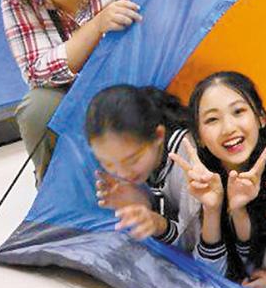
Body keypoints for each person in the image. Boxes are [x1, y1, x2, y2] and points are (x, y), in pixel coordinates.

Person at [1, 0, 143, 183]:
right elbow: (38, 73)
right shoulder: (18, 0)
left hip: (132, 83)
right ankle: (56, 188)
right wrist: (97, 25)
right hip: (71, 94)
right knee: (37, 107)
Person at [182, 71, 266, 288]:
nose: (228, 128)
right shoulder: (200, 176)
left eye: (238, 111)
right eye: (212, 119)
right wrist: (214, 210)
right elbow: (210, 276)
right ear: (199, 137)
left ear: (261, 118)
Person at [85, 85, 200, 249]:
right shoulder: (149, 158)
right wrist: (143, 201)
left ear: (159, 135)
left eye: (132, 160)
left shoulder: (187, 161)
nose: (123, 174)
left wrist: (158, 224)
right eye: (108, 164)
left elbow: (196, 244)